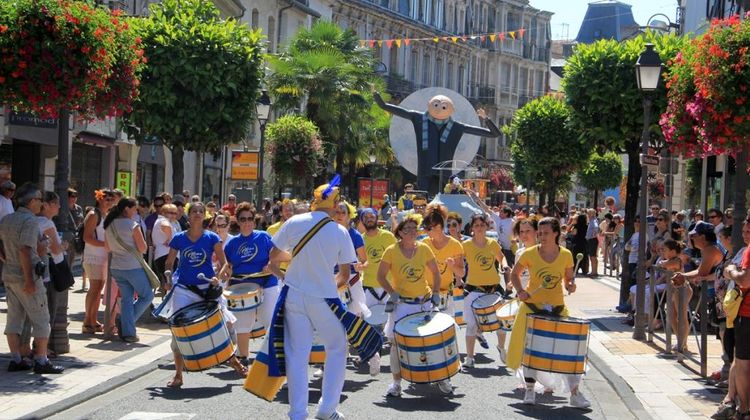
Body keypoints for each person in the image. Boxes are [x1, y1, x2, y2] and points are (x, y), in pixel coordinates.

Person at [267, 180, 359, 420]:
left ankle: (297, 413)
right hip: (325, 297)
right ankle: (327, 409)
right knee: (337, 348)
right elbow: (346, 275)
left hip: (294, 295)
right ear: (335, 204)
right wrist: (329, 285)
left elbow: (274, 257)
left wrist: (296, 260)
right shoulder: (340, 231)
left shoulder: (293, 221)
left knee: (297, 353)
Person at [508, 217, 590, 408]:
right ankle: (530, 390)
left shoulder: (567, 255)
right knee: (530, 352)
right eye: (540, 233)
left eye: (546, 233)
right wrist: (520, 291)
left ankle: (575, 394)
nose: (542, 236)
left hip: (557, 309)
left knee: (569, 354)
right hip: (532, 308)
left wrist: (571, 285)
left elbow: (568, 280)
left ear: (555, 234)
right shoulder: (529, 253)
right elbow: (514, 274)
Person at [164, 201, 246, 388]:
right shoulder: (179, 238)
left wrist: (218, 277)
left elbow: (224, 263)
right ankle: (178, 375)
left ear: (205, 216)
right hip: (184, 289)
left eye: (201, 211)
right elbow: (169, 262)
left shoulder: (211, 238)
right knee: (178, 329)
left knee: (223, 323)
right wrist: (167, 276)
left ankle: (232, 360)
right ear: (188, 214)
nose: (198, 214)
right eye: (194, 211)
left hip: (208, 288)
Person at [377, 216, 444, 397]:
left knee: (432, 341)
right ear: (399, 232)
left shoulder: (424, 248)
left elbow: (436, 273)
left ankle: (441, 378)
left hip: (423, 302)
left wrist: (436, 293)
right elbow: (381, 276)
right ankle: (396, 383)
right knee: (395, 345)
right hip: (402, 305)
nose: (412, 232)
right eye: (407, 229)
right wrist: (392, 292)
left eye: (414, 228)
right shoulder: (391, 251)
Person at [1, 183, 64, 374]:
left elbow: (7, 248)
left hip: (10, 275)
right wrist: (29, 279)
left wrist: (8, 259)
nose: (41, 203)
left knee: (14, 319)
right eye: (39, 199)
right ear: (31, 201)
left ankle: (16, 359)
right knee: (41, 319)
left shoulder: (7, 219)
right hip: (27, 277)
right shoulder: (29, 221)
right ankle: (41, 360)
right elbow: (26, 250)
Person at [221, 202, 279, 365]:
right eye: (242, 219)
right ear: (237, 221)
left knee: (269, 319)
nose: (246, 222)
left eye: (250, 219)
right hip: (241, 287)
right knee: (243, 323)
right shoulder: (231, 244)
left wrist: (271, 266)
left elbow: (278, 256)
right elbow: (226, 267)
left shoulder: (264, 237)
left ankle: (274, 357)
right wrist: (227, 273)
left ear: (254, 221)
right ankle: (242, 358)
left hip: (267, 283)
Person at [103, 197, 154, 343]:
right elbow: (143, 248)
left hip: (116, 267)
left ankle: (128, 332)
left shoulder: (109, 224)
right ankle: (126, 324)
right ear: (126, 208)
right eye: (134, 208)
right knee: (147, 296)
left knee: (126, 299)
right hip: (132, 266)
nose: (135, 211)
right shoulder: (133, 225)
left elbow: (107, 248)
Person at [462, 213, 508, 368]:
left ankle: (501, 348)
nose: (479, 228)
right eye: (476, 225)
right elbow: (458, 264)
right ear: (472, 228)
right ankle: (469, 358)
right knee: (471, 326)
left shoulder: (493, 243)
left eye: (482, 225)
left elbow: (502, 257)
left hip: (494, 290)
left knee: (501, 324)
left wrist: (504, 265)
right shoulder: (466, 245)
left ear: (487, 226)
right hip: (474, 290)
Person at [671, 221, 725, 352]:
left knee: (722, 330)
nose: (692, 238)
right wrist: (684, 276)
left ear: (703, 237)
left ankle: (726, 363)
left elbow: (701, 272)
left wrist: (684, 276)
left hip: (717, 294)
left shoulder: (710, 250)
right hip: (714, 292)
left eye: (694, 235)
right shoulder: (709, 248)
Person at [722, 226, 750, 420]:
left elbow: (745, 280)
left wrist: (731, 271)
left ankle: (744, 410)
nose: (745, 235)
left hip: (747, 314)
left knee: (742, 363)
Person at [421, 203, 464, 318]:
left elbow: (461, 273)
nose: (426, 231)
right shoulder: (424, 244)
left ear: (438, 227)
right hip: (426, 294)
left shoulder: (455, 245)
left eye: (428, 228)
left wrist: (453, 266)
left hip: (446, 296)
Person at [82, 189, 116, 334]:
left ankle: (93, 320)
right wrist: (106, 245)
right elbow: (87, 237)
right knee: (94, 288)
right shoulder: (93, 214)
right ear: (99, 199)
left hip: (103, 257)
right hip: (93, 256)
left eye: (111, 199)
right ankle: (87, 321)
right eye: (106, 199)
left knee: (98, 289)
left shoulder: (106, 215)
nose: (109, 202)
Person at [359, 208, 397, 309]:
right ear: (362, 220)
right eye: (365, 217)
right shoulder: (359, 239)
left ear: (377, 218)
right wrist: (358, 266)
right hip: (368, 287)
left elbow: (397, 258)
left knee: (392, 320)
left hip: (388, 286)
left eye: (372, 216)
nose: (369, 219)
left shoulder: (388, 236)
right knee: (368, 321)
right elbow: (357, 261)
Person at [152, 204, 180, 292]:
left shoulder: (172, 222)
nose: (173, 215)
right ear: (163, 212)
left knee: (169, 284)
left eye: (175, 213)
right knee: (170, 284)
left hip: (166, 255)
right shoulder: (162, 220)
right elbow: (166, 226)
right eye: (171, 213)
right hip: (166, 256)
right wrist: (169, 239)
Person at [585, 208, 599, 277]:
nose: (588, 214)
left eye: (588, 213)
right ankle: (594, 271)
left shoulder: (593, 220)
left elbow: (596, 228)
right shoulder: (591, 220)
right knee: (592, 256)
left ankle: (594, 272)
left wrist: (593, 234)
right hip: (591, 240)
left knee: (593, 257)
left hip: (592, 240)